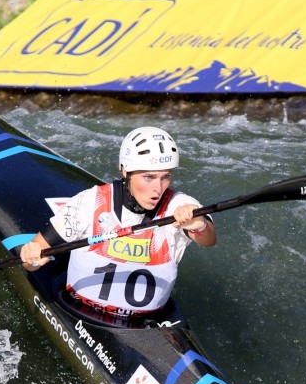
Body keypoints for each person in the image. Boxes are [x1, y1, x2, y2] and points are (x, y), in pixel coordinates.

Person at [20, 126, 216, 317]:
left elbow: (209, 240)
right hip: (81, 309)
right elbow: (36, 253)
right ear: (125, 171)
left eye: (166, 177)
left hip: (145, 322)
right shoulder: (90, 202)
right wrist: (32, 258)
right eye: (148, 177)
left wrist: (199, 225)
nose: (158, 188)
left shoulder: (179, 204)